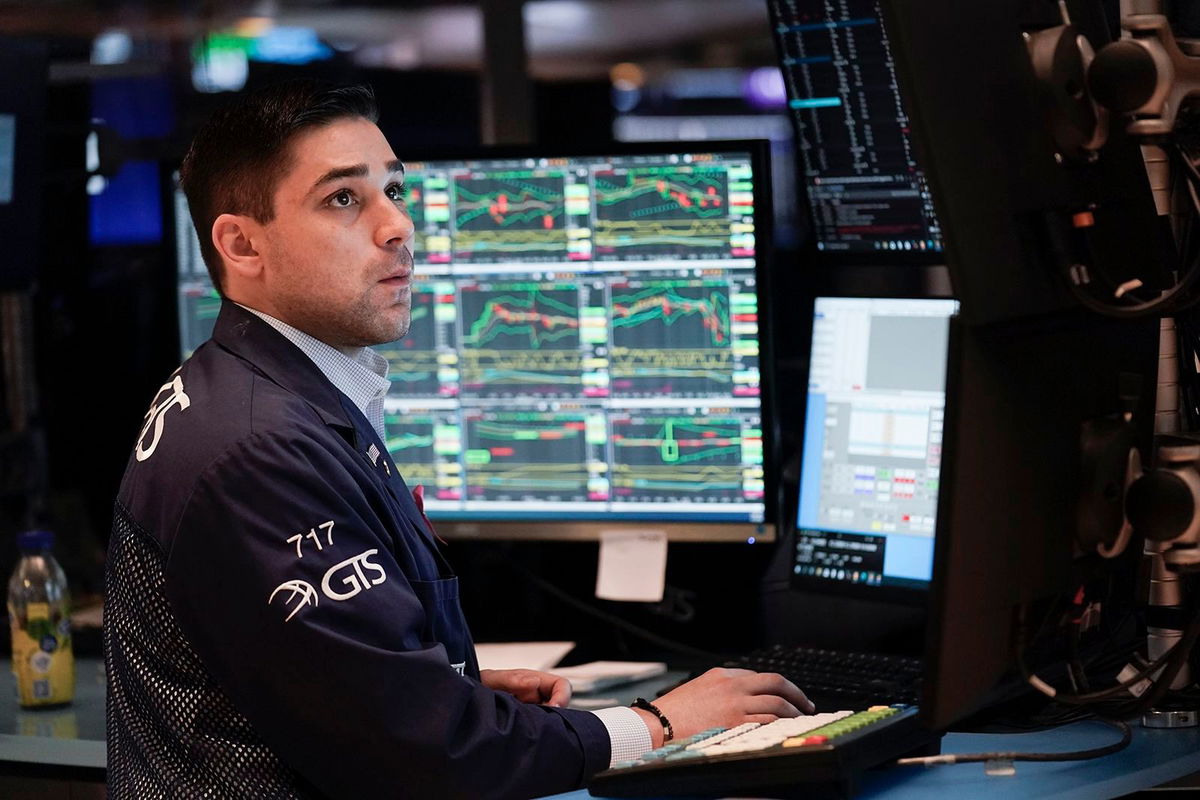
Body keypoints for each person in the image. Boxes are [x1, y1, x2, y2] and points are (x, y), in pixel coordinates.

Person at [104, 80, 812, 799]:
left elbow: (331, 690)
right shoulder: (256, 448)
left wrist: (438, 684)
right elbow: (426, 759)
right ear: (241, 244)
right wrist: (658, 722)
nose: (397, 227)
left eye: (395, 190)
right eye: (344, 199)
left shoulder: (254, 390)